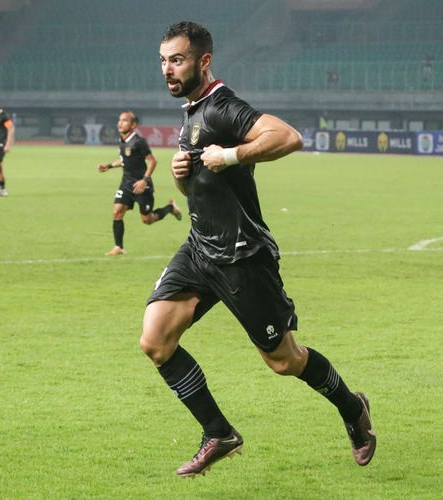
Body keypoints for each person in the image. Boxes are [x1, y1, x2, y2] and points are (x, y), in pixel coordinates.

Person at [142, 21, 376, 478]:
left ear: (203, 62)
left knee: (284, 360)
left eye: (178, 60)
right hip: (199, 250)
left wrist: (231, 155)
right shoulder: (193, 111)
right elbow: (201, 193)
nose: (168, 70)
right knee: (155, 341)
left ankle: (353, 410)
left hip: (243, 258)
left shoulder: (224, 107)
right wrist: (179, 176)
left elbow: (288, 137)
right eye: (164, 61)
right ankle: (218, 433)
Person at [97, 111, 182, 256]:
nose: (120, 123)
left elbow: (152, 161)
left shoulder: (139, 141)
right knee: (117, 211)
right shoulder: (121, 140)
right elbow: (124, 160)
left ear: (133, 124)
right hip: (126, 183)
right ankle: (119, 247)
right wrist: (109, 166)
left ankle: (170, 207)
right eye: (119, 120)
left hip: (142, 186)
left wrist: (144, 180)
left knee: (147, 220)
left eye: (124, 120)